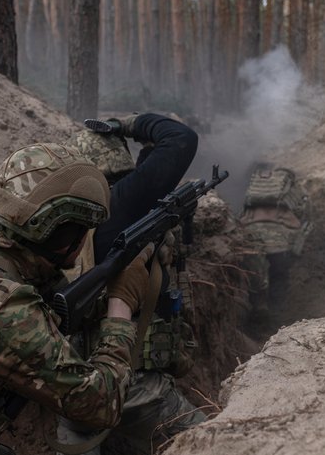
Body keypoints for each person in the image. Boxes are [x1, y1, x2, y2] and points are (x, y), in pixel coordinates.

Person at [0, 143, 155, 455]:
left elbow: (45, 300)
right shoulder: (4, 311)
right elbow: (102, 403)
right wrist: (120, 305)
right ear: (64, 234)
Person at [57, 113, 206, 454]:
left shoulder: (67, 217)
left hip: (74, 381)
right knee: (212, 442)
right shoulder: (121, 204)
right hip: (133, 387)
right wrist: (128, 124)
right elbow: (181, 138)